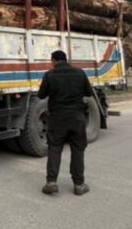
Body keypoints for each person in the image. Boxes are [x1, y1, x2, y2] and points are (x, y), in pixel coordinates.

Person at [37, 50, 95, 196]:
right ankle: (79, 185)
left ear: (54, 60)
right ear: (66, 59)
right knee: (77, 150)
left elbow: (41, 95)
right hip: (77, 118)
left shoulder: (49, 75)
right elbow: (89, 93)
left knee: (54, 149)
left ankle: (51, 182)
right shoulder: (80, 73)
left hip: (57, 119)